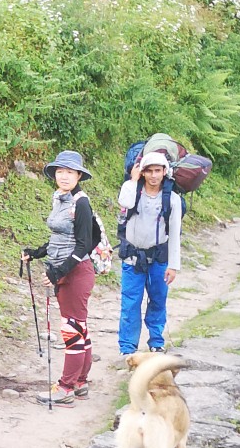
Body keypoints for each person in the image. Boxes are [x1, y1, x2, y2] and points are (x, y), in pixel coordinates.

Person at [23, 150, 104, 406]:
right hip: (65, 269)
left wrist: (57, 273)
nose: (64, 176)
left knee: (72, 328)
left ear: (79, 175)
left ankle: (66, 387)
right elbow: (60, 238)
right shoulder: (60, 198)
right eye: (60, 171)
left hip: (76, 272)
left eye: (70, 172)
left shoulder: (81, 202)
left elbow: (82, 246)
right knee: (79, 327)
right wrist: (36, 252)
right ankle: (80, 382)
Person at [117, 149, 183, 356]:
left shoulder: (171, 199)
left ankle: (156, 341)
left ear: (165, 171)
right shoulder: (132, 191)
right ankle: (127, 348)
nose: (154, 175)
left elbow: (174, 233)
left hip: (159, 258)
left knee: (158, 300)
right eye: (149, 171)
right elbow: (125, 204)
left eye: (158, 170)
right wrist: (132, 180)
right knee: (130, 303)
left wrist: (173, 266)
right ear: (142, 172)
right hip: (132, 257)